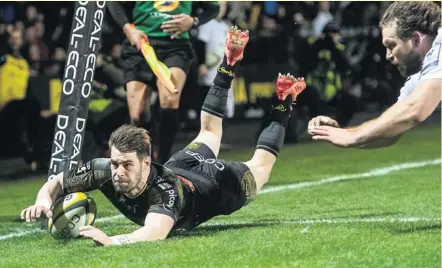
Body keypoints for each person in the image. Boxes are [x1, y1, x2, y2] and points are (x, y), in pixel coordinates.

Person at [20, 26, 307, 246]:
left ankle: (283, 103)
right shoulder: (106, 170)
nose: (118, 171)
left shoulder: (165, 191)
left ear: (146, 163)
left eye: (127, 165)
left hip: (214, 185)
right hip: (181, 164)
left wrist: (114, 240)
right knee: (208, 131)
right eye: (116, 162)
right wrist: (44, 200)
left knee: (261, 168)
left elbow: (154, 232)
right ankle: (229, 63)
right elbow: (57, 182)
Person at [308, 1, 441, 149]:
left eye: (392, 45)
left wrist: (353, 136)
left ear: (415, 39)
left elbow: (416, 110)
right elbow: (391, 129)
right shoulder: (421, 75)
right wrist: (340, 132)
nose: (388, 55)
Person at [107, 1, 219, 164]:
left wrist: (193, 21)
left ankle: (163, 163)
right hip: (141, 45)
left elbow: (213, 7)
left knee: (170, 97)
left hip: (175, 46)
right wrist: (128, 28)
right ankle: (147, 158)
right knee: (137, 114)